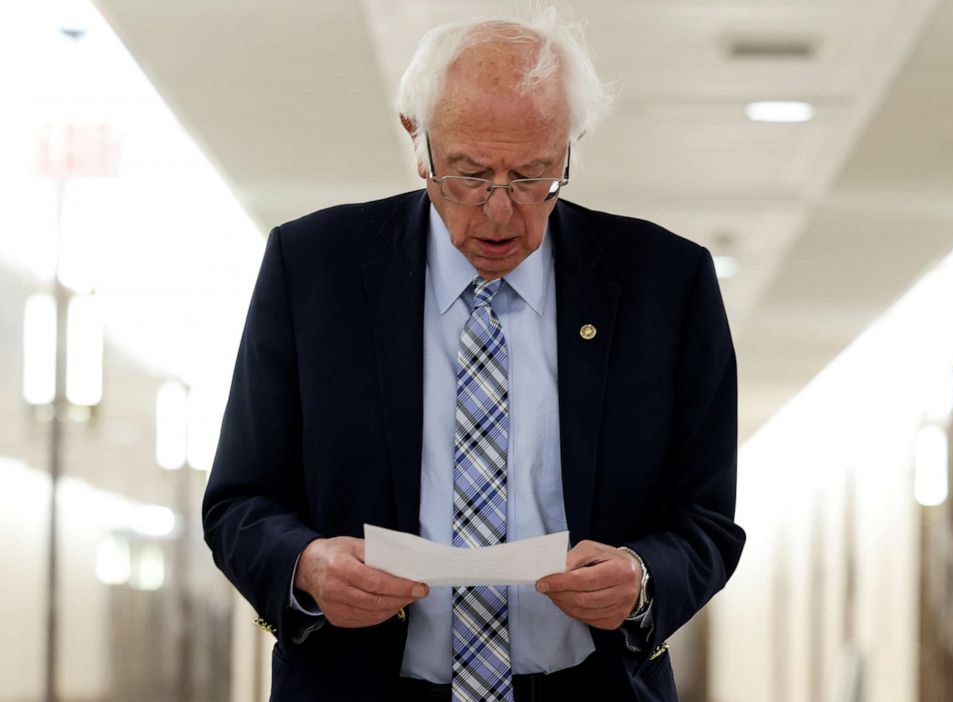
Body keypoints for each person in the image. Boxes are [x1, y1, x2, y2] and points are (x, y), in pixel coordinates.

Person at [203, 9, 744, 702]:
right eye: (468, 174)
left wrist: (643, 579)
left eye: (532, 176)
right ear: (417, 140)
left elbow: (706, 517)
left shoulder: (665, 285)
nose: (498, 211)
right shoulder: (313, 271)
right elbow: (239, 501)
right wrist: (307, 566)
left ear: (570, 145)